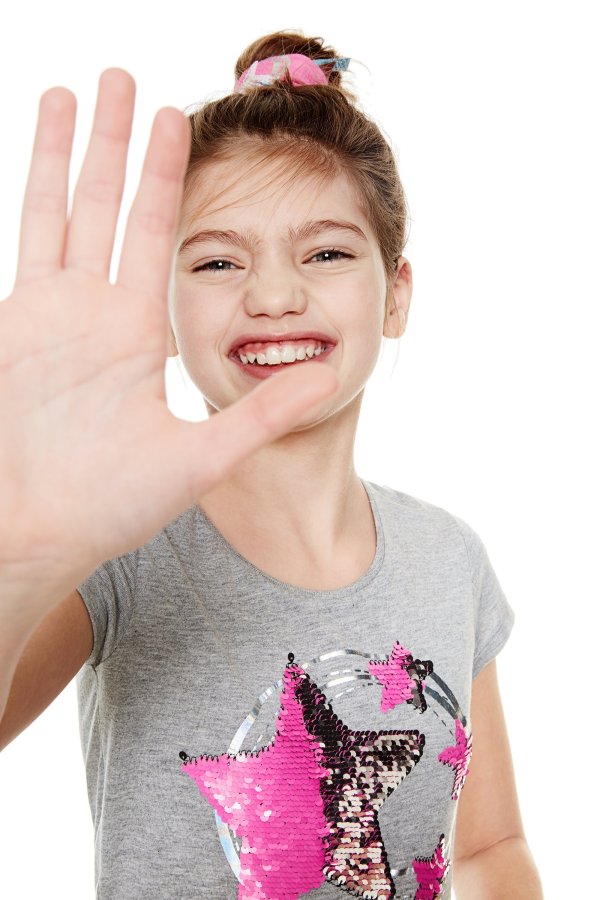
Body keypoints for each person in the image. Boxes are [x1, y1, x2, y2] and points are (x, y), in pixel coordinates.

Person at [0, 29, 543, 900]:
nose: (275, 295)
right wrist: (19, 549)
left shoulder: (451, 560)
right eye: (218, 260)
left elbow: (488, 848)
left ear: (396, 295)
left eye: (326, 252)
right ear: (162, 308)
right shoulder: (118, 552)